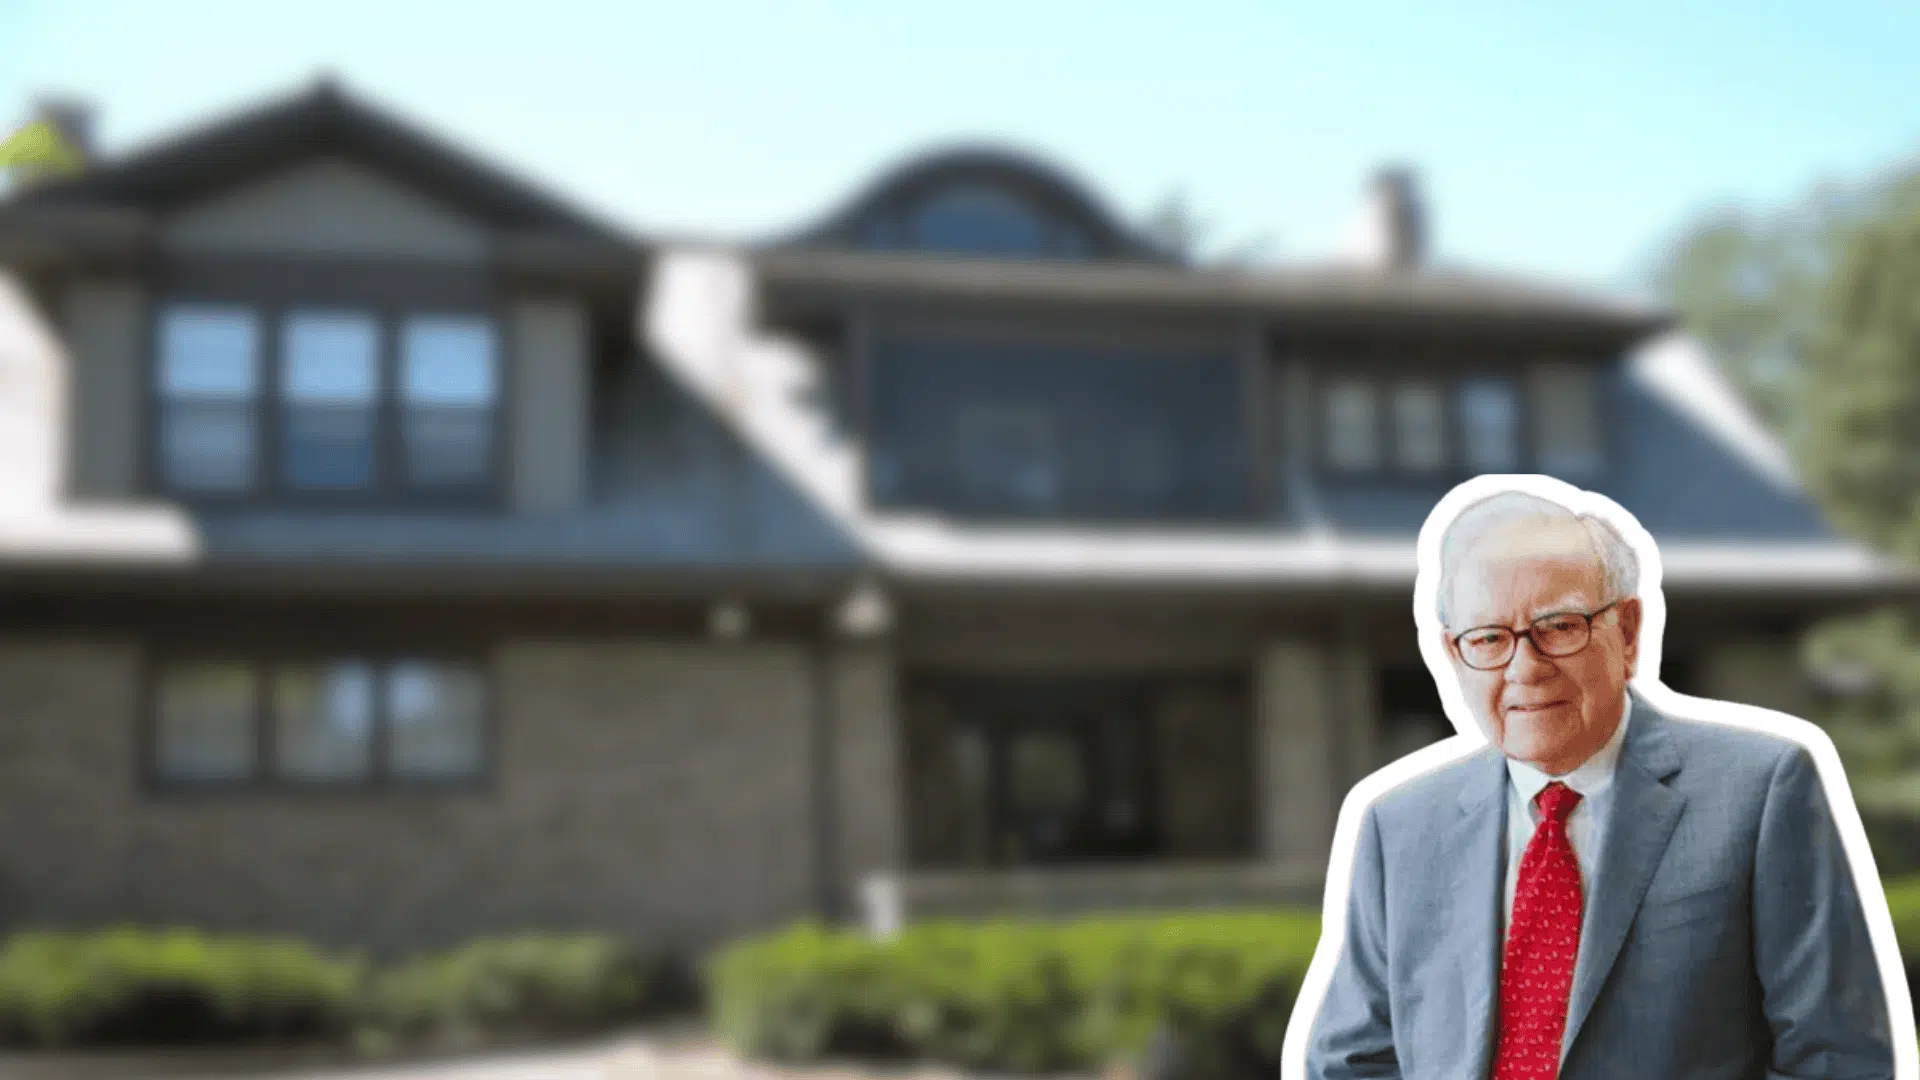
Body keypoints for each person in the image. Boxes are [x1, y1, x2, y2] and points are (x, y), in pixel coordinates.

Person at [1303, 489, 1896, 1080]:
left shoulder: (1762, 792)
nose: (1524, 668)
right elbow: (1352, 1061)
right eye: (1488, 639)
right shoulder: (1399, 827)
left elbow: (1836, 1057)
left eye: (1558, 627)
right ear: (1452, 654)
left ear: (1629, 631)